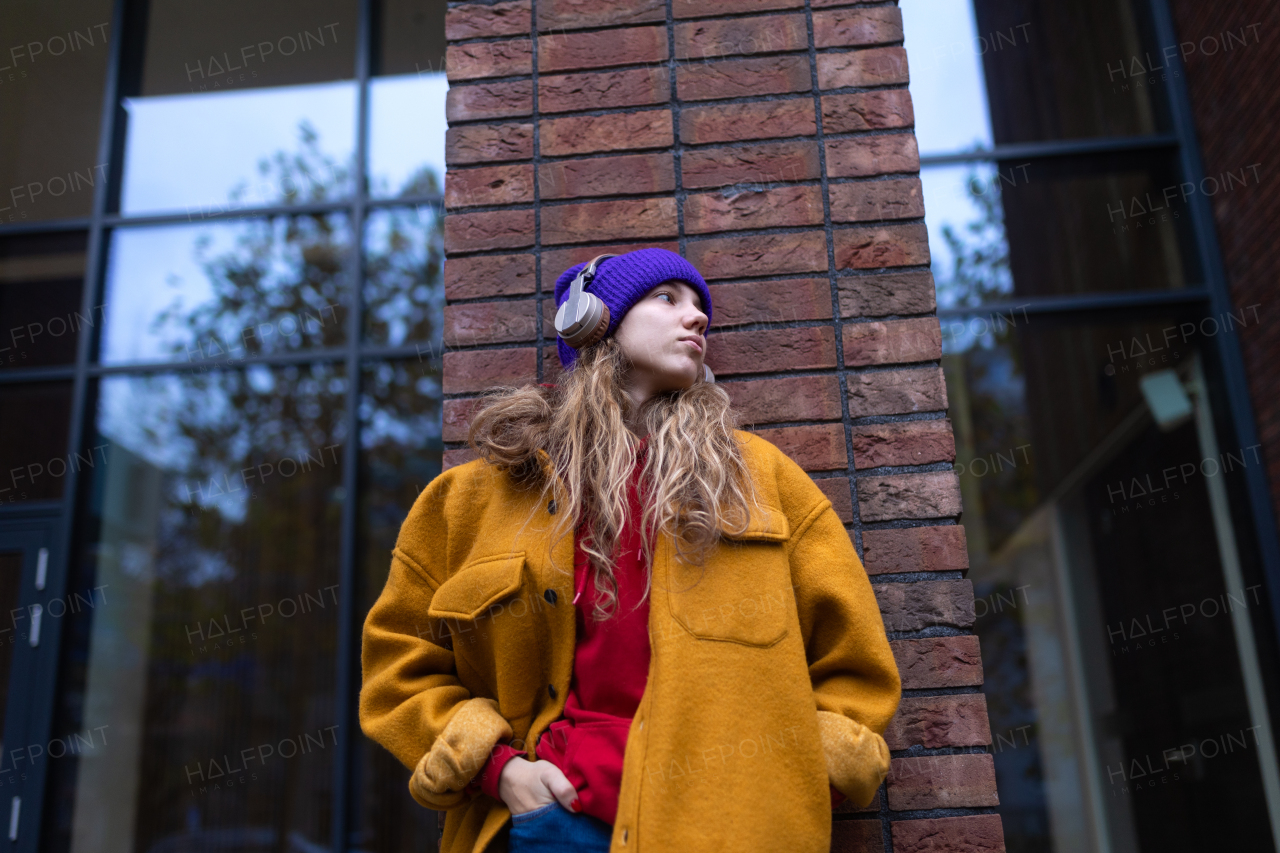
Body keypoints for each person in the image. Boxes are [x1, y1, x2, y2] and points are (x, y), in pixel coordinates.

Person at [360, 248, 901, 853]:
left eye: (701, 308)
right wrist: (503, 772)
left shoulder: (762, 480)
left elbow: (856, 665)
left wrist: (796, 779)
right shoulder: (472, 501)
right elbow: (397, 668)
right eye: (667, 298)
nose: (696, 318)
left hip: (731, 830)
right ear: (592, 322)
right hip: (555, 823)